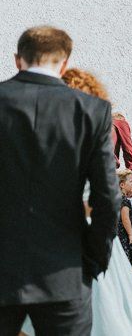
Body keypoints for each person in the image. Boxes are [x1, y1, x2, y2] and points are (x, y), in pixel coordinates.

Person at [0, 28, 119, 335]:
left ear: (17, 59)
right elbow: (108, 198)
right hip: (65, 270)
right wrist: (93, 259)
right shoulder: (91, 110)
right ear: (64, 64)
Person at [117, 171, 132, 269]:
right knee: (124, 254)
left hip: (116, 232)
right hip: (123, 233)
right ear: (122, 185)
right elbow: (125, 219)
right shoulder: (124, 201)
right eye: (131, 181)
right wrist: (130, 234)